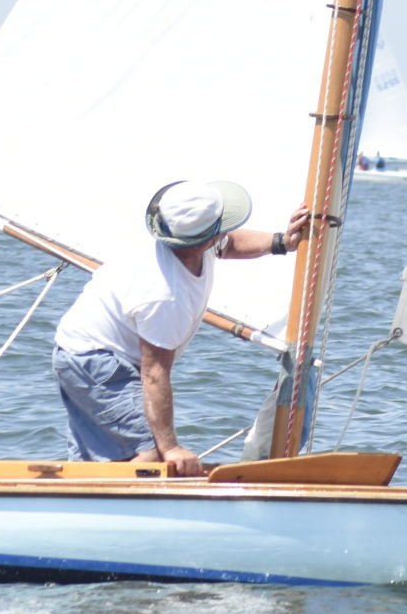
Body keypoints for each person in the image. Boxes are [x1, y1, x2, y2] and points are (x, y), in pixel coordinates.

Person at [49, 180, 310, 476]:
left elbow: (231, 243)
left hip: (82, 351)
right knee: (149, 454)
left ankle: (81, 502)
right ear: (209, 237)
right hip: (93, 358)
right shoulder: (165, 293)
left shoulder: (192, 243)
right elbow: (154, 374)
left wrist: (282, 241)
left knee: (103, 458)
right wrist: (171, 447)